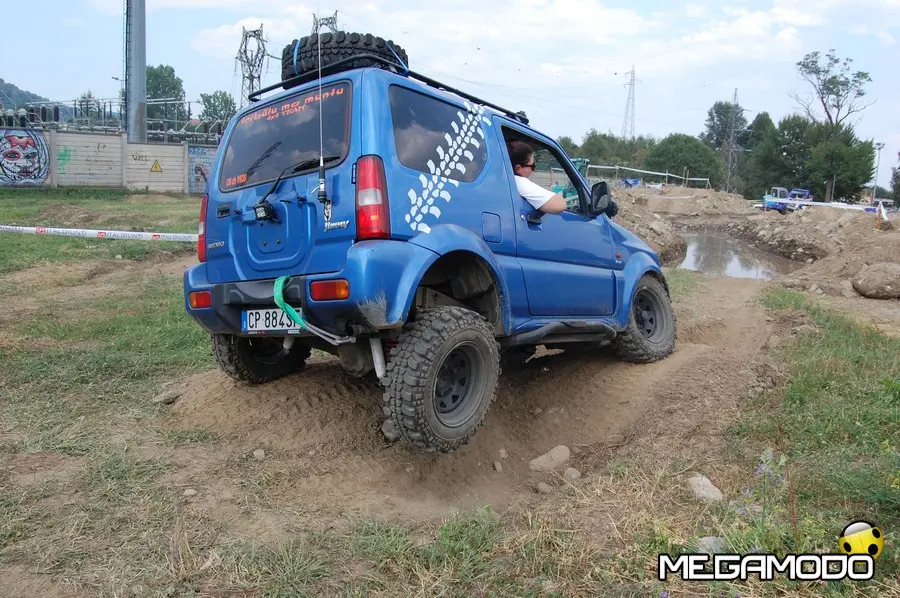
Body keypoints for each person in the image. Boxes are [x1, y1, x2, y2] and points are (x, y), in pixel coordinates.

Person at [508, 140, 568, 214]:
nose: (533, 170)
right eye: (532, 166)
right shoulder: (518, 181)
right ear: (518, 168)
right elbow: (560, 205)